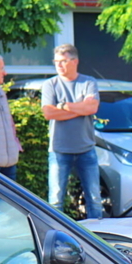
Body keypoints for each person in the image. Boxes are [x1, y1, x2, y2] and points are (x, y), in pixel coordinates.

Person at [41, 43, 103, 219]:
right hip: (59, 149)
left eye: (63, 61)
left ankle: (98, 239)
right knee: (55, 200)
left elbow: (92, 108)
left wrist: (64, 106)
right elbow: (48, 112)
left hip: (86, 149)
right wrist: (79, 108)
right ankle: (56, 237)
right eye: (56, 62)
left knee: (94, 198)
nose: (59, 65)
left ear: (75, 61)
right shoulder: (50, 84)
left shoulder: (88, 82)